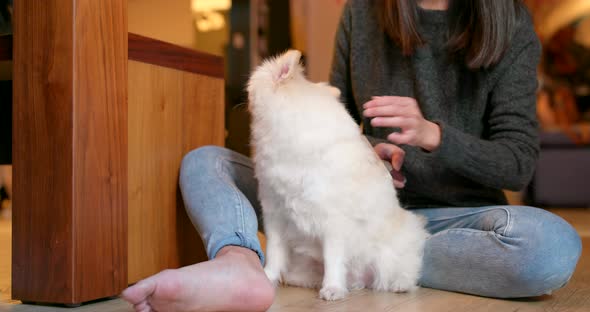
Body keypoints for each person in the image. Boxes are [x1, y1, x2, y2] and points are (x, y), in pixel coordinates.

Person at [122, 0, 582, 311]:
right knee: (206, 161)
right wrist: (368, 151)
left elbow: (518, 164)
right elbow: (340, 123)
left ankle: (382, 259)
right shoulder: (364, 11)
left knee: (551, 248)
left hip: (451, 219)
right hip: (343, 203)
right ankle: (240, 263)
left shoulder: (511, 24)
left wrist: (434, 135)